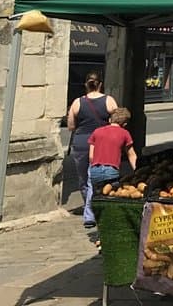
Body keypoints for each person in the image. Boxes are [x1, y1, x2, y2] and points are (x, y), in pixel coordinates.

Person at [67, 72, 117, 228]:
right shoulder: (109, 101)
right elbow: (118, 120)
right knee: (96, 177)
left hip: (81, 141)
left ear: (86, 85)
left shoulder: (77, 103)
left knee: (84, 179)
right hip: (101, 141)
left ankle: (89, 208)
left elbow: (71, 126)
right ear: (100, 84)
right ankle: (93, 209)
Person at [88, 107, 137, 197]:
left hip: (95, 170)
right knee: (112, 194)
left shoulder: (97, 132)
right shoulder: (125, 133)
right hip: (111, 170)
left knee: (97, 197)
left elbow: (91, 156)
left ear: (110, 119)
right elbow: (131, 155)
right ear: (125, 124)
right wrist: (136, 171)